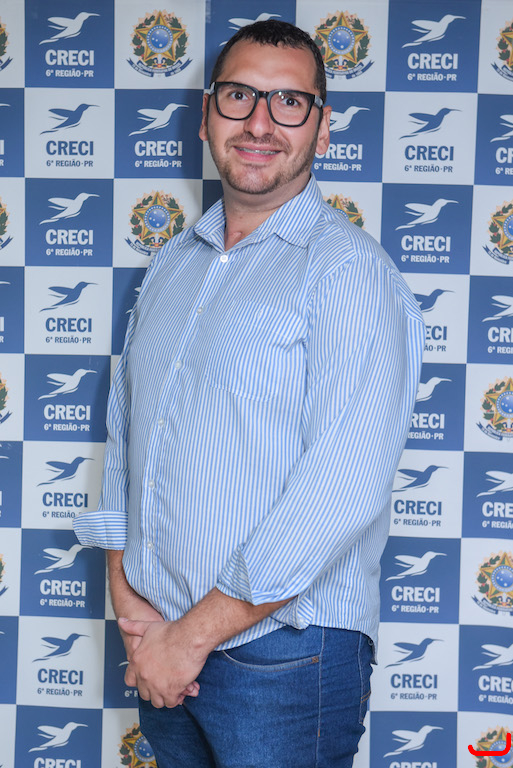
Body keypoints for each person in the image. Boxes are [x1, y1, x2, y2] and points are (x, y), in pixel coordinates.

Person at [74, 19, 425, 768]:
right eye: (239, 96)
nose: (260, 123)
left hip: (283, 656)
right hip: (158, 640)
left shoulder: (348, 272)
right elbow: (128, 438)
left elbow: (342, 483)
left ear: (321, 129)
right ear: (207, 114)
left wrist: (191, 637)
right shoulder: (173, 263)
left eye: (289, 102)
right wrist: (132, 604)